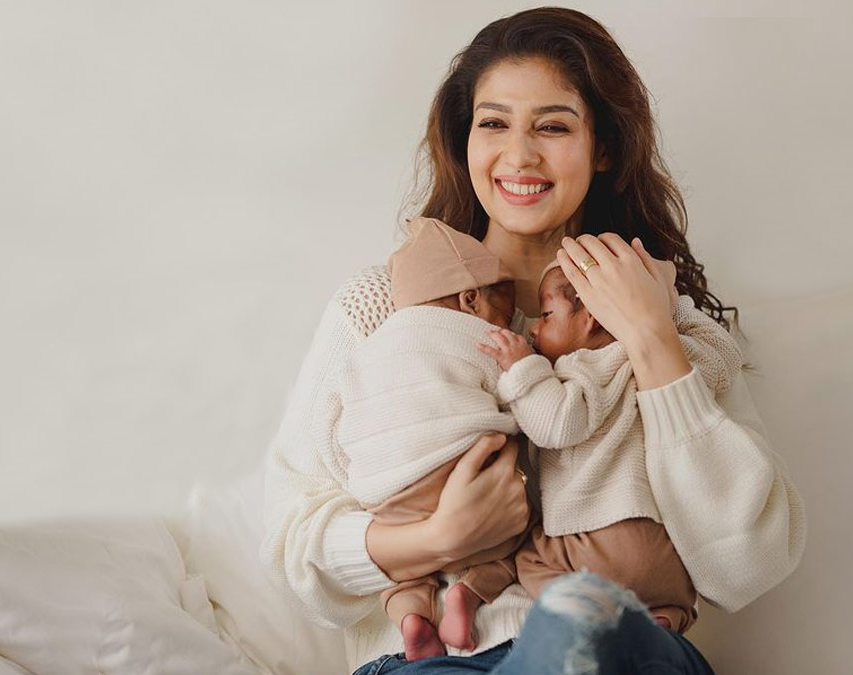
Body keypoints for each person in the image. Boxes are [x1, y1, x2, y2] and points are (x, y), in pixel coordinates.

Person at [261, 7, 806, 673]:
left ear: (604, 147)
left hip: (619, 653)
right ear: (465, 141)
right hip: (436, 661)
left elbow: (749, 561)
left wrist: (650, 339)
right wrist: (437, 537)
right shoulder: (381, 308)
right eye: (493, 124)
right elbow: (289, 540)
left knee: (587, 639)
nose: (519, 155)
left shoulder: (668, 319)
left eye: (552, 126)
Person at [477, 260, 744, 636]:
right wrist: (670, 304)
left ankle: (590, 615)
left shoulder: (582, 368)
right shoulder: (658, 355)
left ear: (591, 317)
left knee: (530, 559)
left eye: (547, 314)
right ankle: (668, 614)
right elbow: (724, 357)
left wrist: (522, 368)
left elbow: (556, 424)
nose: (534, 328)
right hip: (664, 549)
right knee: (675, 598)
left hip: (597, 541)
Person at [335, 216, 529, 660]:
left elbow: (349, 414)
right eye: (504, 309)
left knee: (400, 576)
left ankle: (411, 616)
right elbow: (518, 399)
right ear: (470, 299)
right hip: (461, 471)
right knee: (514, 545)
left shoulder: (372, 345)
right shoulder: (480, 336)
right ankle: (468, 595)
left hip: (386, 496)